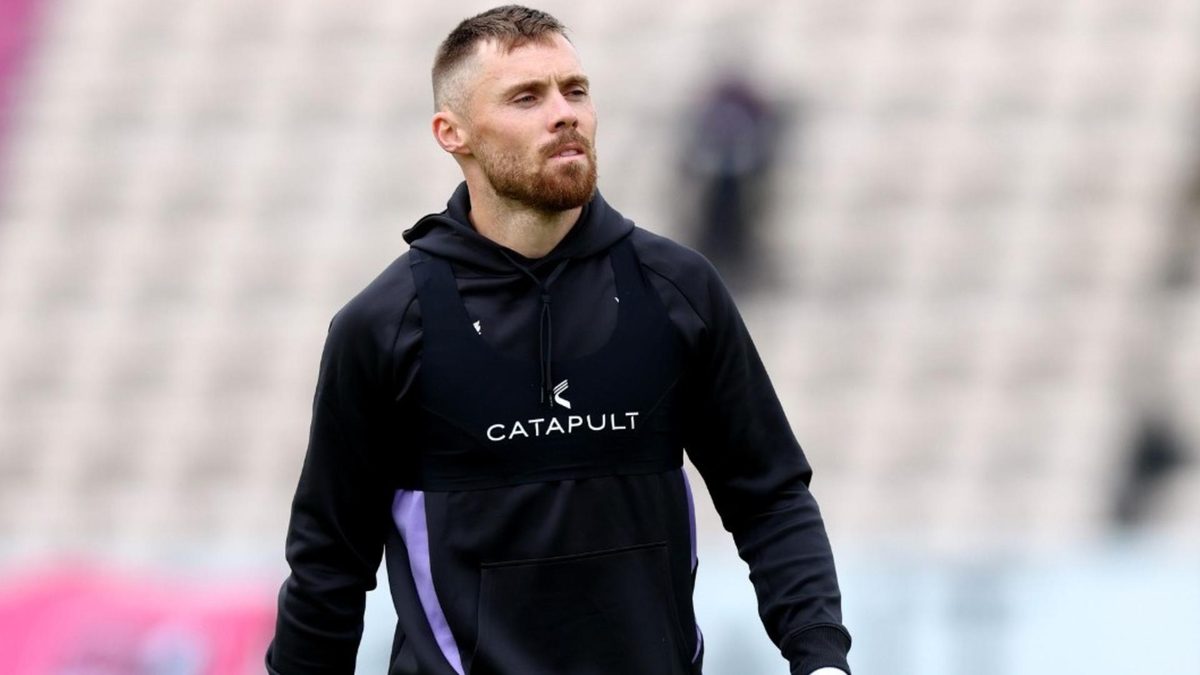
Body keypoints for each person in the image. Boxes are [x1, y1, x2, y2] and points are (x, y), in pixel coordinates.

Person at [266, 6, 851, 675]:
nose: (564, 113)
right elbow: (328, 566)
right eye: (527, 97)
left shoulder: (678, 291)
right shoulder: (386, 325)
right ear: (452, 133)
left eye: (575, 91)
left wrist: (821, 658)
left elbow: (770, 498)